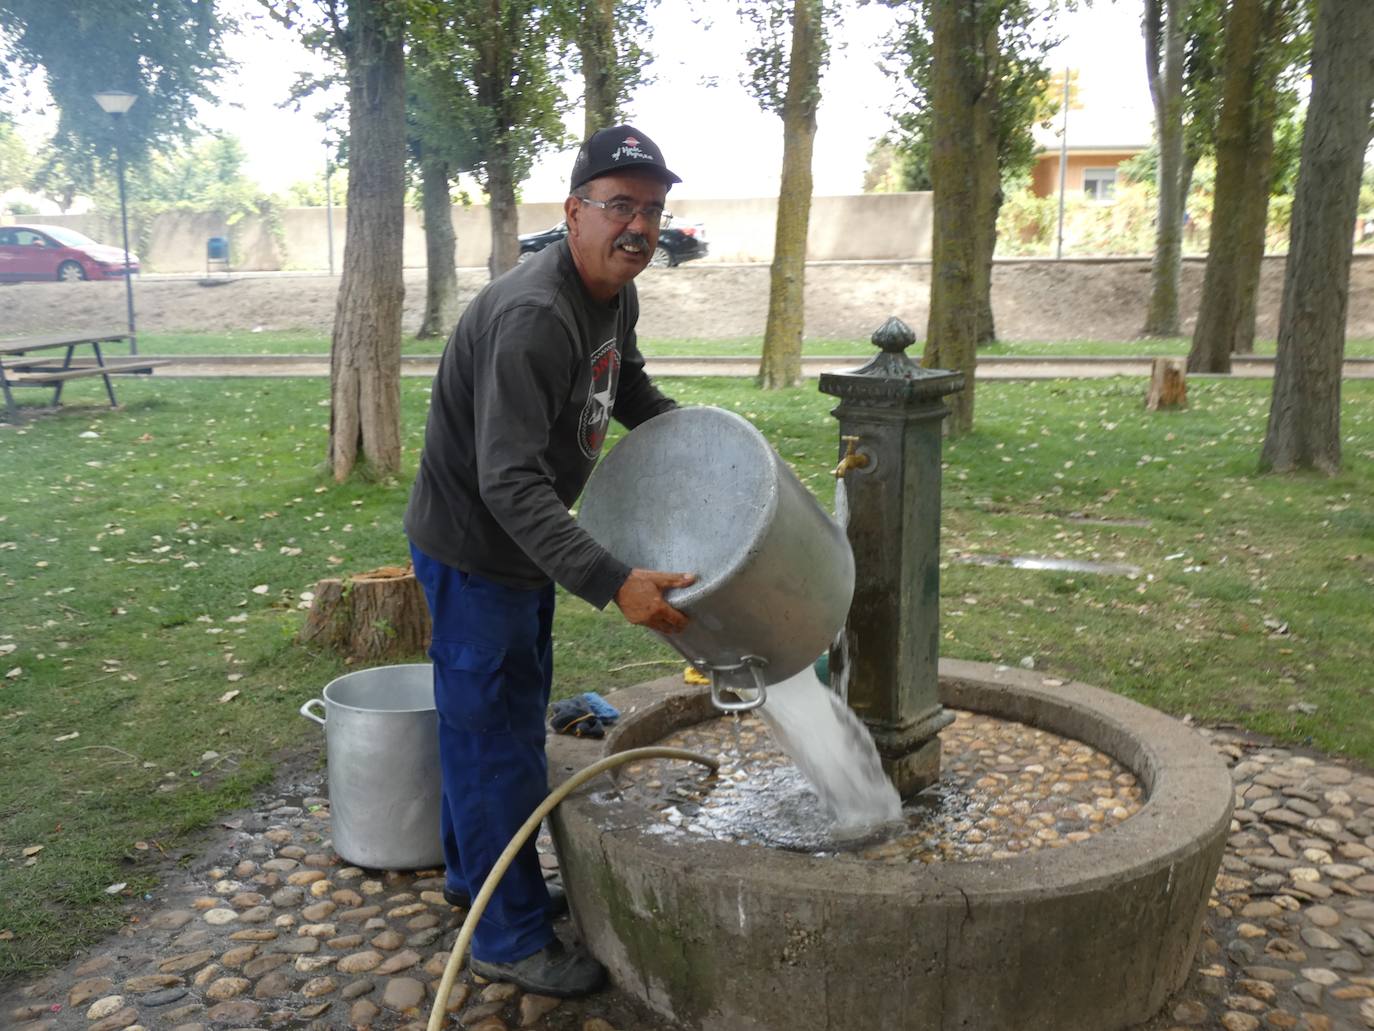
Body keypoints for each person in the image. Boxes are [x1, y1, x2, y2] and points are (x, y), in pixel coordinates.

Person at [403, 125, 695, 998]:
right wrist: (615, 580)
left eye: (651, 209)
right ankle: (509, 935)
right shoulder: (535, 314)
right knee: (496, 738)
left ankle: (475, 881)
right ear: (574, 212)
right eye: (619, 207)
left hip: (520, 550)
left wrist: (702, 446)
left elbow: (626, 386)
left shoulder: (614, 293)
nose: (638, 226)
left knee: (491, 725)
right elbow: (508, 482)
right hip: (476, 552)